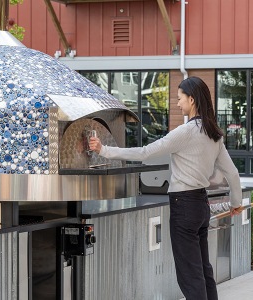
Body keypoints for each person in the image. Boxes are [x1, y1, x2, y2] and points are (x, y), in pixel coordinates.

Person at [89, 76, 243, 300]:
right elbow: (232, 173)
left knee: (190, 275)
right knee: (203, 269)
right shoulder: (213, 134)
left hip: (184, 206)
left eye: (180, 98)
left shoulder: (186, 132)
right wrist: (236, 203)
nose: (178, 104)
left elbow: (144, 153)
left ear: (191, 99)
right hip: (201, 205)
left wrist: (104, 150)